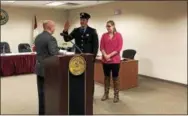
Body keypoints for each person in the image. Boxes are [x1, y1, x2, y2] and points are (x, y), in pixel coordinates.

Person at [60, 12, 99, 97]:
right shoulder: (76, 30)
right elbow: (67, 39)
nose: (82, 21)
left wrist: (93, 58)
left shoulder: (92, 31)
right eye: (81, 19)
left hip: (88, 58)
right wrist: (65, 30)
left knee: (89, 77)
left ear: (87, 20)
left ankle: (89, 94)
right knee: (78, 74)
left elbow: (95, 46)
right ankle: (80, 93)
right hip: (78, 58)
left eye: (84, 20)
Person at [34, 20, 59, 115]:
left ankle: (42, 112)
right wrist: (59, 51)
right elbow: (54, 54)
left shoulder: (38, 37)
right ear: (50, 27)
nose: (55, 29)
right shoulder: (51, 38)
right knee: (49, 92)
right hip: (49, 70)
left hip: (39, 68)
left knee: (41, 92)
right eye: (54, 26)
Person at [100, 20, 123, 103]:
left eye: (109, 26)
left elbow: (119, 48)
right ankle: (106, 94)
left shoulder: (118, 35)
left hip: (115, 61)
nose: (107, 28)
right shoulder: (104, 35)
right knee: (106, 77)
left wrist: (109, 56)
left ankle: (116, 95)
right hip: (105, 61)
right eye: (106, 26)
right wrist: (105, 55)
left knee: (115, 78)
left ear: (113, 26)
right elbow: (101, 47)